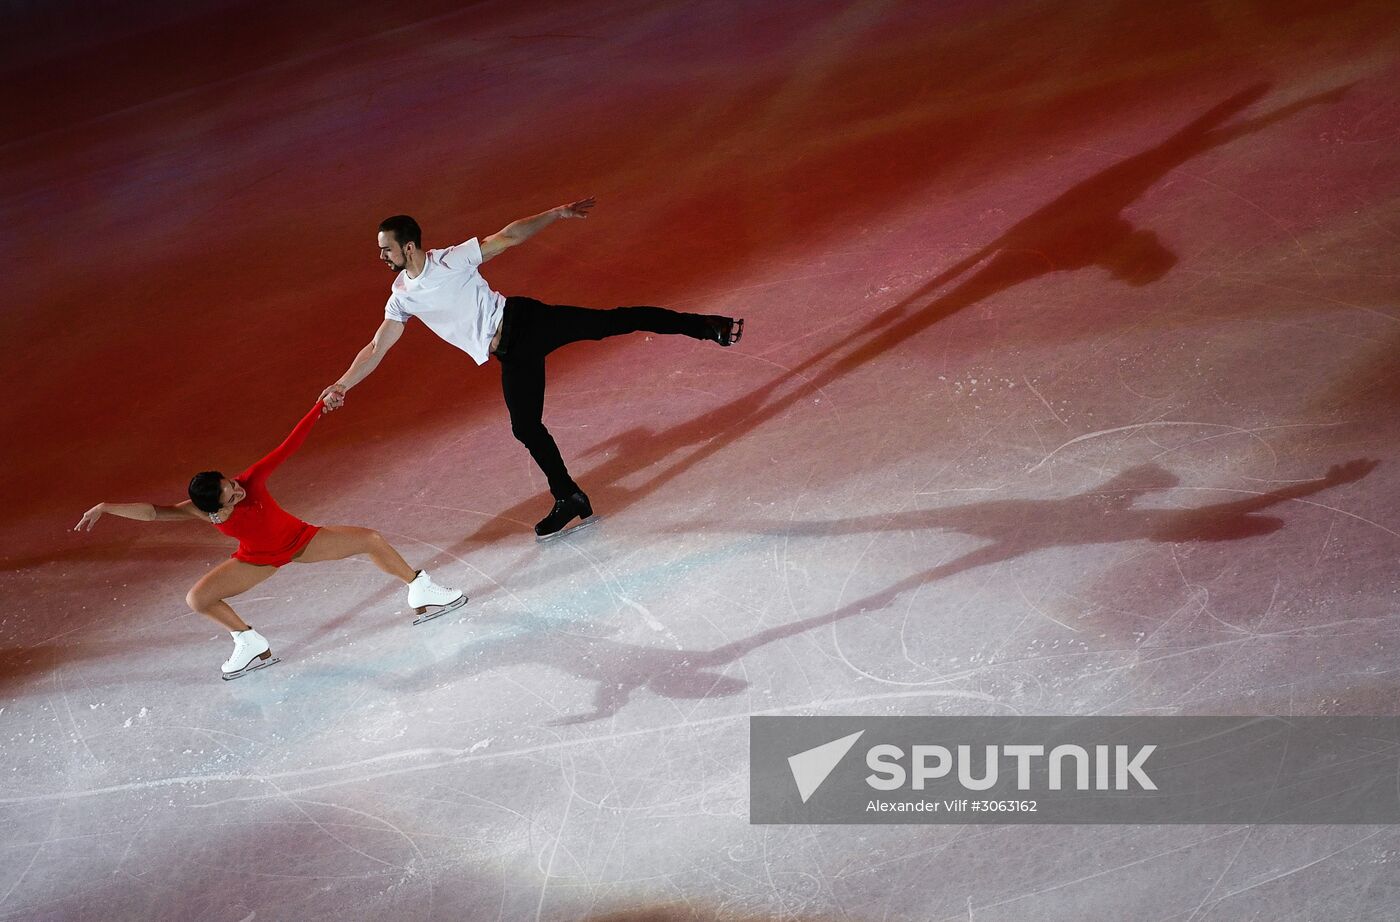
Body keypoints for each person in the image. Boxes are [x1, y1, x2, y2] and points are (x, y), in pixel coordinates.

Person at [317, 199, 744, 537]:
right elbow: (377, 346)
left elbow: (506, 238)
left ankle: (708, 327)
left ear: (407, 246)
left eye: (385, 249)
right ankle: (570, 497)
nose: (381, 256)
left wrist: (555, 215)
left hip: (526, 321)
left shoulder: (449, 261)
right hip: (510, 354)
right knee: (525, 426)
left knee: (616, 320)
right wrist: (341, 384)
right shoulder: (401, 295)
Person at [73, 401, 467, 679]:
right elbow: (155, 512)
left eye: (232, 484)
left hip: (302, 542)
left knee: (371, 539)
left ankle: (421, 590)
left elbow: (288, 445)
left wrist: (319, 407)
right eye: (230, 495)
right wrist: (107, 506)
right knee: (198, 599)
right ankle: (248, 641)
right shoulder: (199, 510)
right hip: (256, 561)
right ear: (214, 506)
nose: (238, 490)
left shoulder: (251, 480)